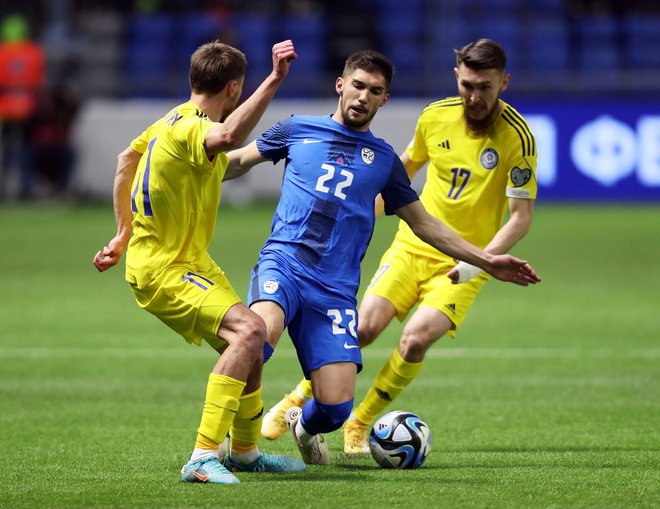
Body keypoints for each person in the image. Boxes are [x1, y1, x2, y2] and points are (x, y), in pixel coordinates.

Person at [224, 48, 540, 465]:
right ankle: (227, 448)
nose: (362, 97)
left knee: (360, 385)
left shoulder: (393, 160)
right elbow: (234, 162)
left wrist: (482, 260)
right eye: (357, 86)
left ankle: (319, 421)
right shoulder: (301, 128)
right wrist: (184, 165)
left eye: (374, 91)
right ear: (341, 85)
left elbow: (437, 219)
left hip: (389, 277)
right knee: (264, 334)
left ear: (383, 99)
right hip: (308, 261)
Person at [92, 39, 306, 485]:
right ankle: (202, 458)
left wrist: (122, 231)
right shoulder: (192, 127)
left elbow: (125, 160)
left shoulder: (167, 122)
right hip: (164, 268)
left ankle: (245, 453)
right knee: (248, 332)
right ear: (233, 88)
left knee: (253, 340)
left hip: (187, 260)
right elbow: (227, 138)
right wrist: (275, 80)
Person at [0, 13, 45, 198]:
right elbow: (39, 82)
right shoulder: (34, 52)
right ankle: (25, 187)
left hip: (5, 109)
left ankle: (4, 188)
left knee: (7, 152)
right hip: (29, 108)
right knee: (27, 150)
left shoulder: (2, 53)